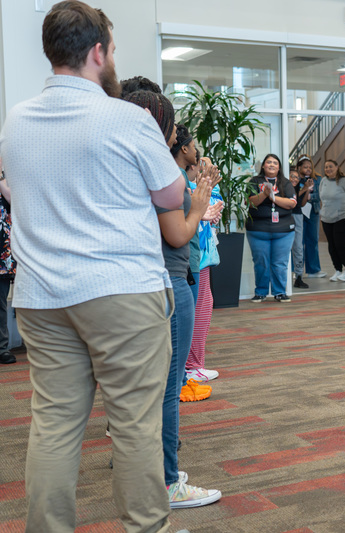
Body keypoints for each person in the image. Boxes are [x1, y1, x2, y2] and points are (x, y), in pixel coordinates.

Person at [0, 2, 187, 529]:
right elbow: (172, 194)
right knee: (133, 427)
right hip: (120, 292)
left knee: (54, 427)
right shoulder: (126, 117)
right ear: (98, 51)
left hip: (40, 297)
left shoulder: (17, 120)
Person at [123, 103, 220, 507]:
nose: (181, 136)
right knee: (167, 386)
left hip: (147, 280)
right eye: (177, 129)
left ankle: (154, 475)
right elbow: (179, 234)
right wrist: (198, 207)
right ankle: (164, 483)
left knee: (146, 385)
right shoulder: (158, 168)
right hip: (167, 278)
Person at [187, 156, 224, 382]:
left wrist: (210, 185)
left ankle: (194, 364)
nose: (207, 165)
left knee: (204, 306)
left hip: (205, 257)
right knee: (196, 309)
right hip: (195, 258)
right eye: (201, 161)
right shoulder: (184, 187)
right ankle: (192, 366)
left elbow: (214, 214)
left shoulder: (197, 187)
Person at [247, 154, 298, 302]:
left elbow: (291, 203)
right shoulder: (255, 181)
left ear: (279, 167)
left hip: (283, 231)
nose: (271, 165)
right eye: (268, 162)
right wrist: (264, 194)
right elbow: (250, 202)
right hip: (258, 231)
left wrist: (273, 198)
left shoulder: (285, 183)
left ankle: (279, 292)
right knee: (260, 262)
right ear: (263, 166)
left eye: (275, 163)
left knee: (280, 263)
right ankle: (261, 292)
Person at [320, 159, 345, 282]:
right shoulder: (323, 181)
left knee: (341, 244)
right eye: (326, 167)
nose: (328, 169)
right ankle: (338, 270)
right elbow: (322, 197)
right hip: (326, 218)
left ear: (337, 167)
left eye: (330, 166)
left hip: (343, 217)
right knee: (332, 246)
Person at [297, 154, 325, 278]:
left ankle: (313, 270)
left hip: (313, 211)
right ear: (299, 168)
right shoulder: (295, 178)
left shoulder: (317, 178)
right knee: (298, 241)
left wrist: (309, 197)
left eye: (310, 167)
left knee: (312, 240)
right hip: (299, 211)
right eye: (305, 167)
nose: (308, 169)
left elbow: (320, 195)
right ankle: (297, 270)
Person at [0, 159, 15, 365]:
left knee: (1, 304)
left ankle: (2, 348)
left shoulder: (6, 181)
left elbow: (14, 200)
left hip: (2, 256)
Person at [290, 167, 311, 288]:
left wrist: (307, 189)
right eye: (292, 176)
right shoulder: (285, 186)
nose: (294, 179)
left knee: (298, 247)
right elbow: (291, 197)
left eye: (297, 177)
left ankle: (299, 277)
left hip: (298, 215)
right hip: (285, 216)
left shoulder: (299, 187)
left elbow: (301, 203)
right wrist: (304, 189)